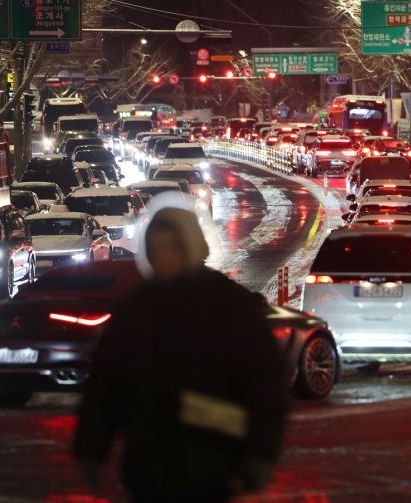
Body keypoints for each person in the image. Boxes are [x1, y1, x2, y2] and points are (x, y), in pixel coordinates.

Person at [73, 207, 288, 503]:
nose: (164, 257)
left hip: (213, 461)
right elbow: (105, 385)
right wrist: (91, 450)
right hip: (147, 464)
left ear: (190, 247)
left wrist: (259, 455)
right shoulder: (135, 309)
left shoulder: (231, 307)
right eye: (156, 249)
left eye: (173, 247)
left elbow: (265, 386)